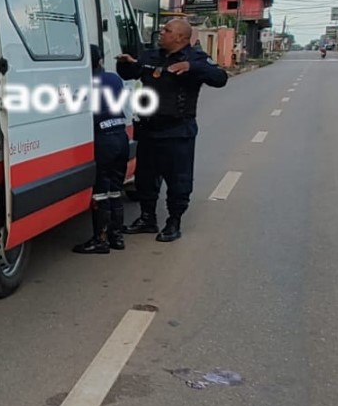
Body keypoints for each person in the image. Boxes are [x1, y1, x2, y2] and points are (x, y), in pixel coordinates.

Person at [117, 18, 228, 242]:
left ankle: (174, 221)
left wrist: (192, 68)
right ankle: (147, 218)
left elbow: (220, 78)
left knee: (178, 180)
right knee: (145, 178)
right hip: (148, 128)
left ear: (180, 37)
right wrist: (126, 64)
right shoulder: (152, 55)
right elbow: (130, 74)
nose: (161, 32)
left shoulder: (195, 57)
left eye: (167, 30)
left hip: (177, 131)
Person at [73, 46, 129, 254]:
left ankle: (100, 239)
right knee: (116, 188)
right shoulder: (114, 79)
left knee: (100, 192)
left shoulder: (85, 84)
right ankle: (117, 237)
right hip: (121, 136)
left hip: (103, 140)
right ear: (100, 61)